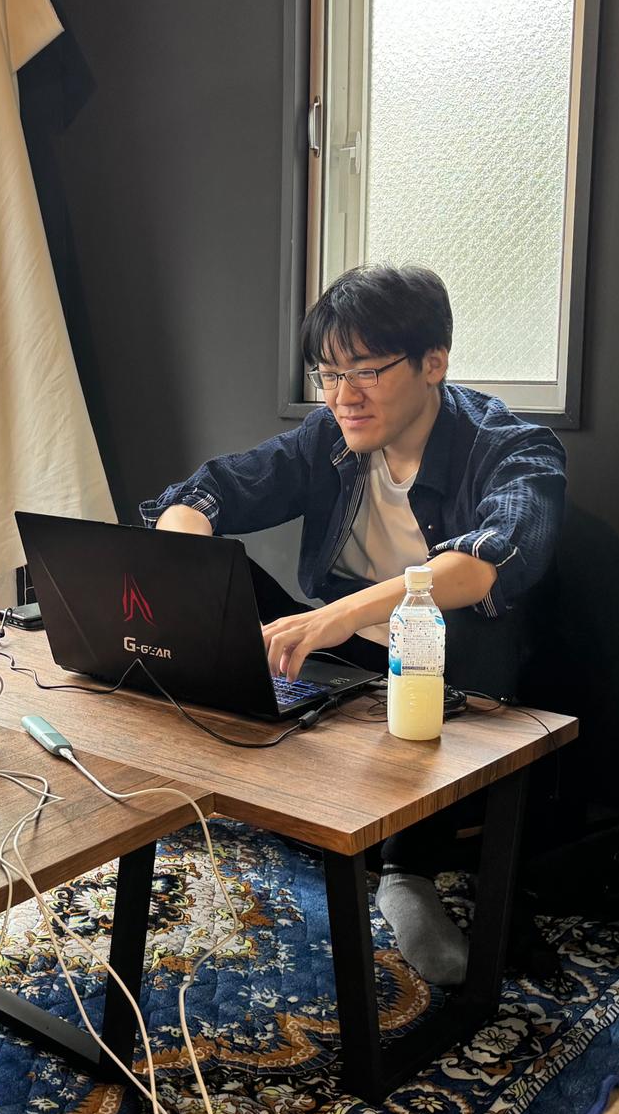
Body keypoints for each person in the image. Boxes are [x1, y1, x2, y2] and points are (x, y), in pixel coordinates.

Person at [143, 263, 566, 986]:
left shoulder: (511, 445)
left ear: (433, 363)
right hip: (345, 651)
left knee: (465, 622)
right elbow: (204, 492)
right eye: (329, 374)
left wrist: (337, 616)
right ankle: (203, 774)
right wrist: (186, 556)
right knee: (214, 571)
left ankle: (407, 871)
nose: (344, 396)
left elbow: (486, 564)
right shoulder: (329, 436)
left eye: (365, 371)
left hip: (448, 666)